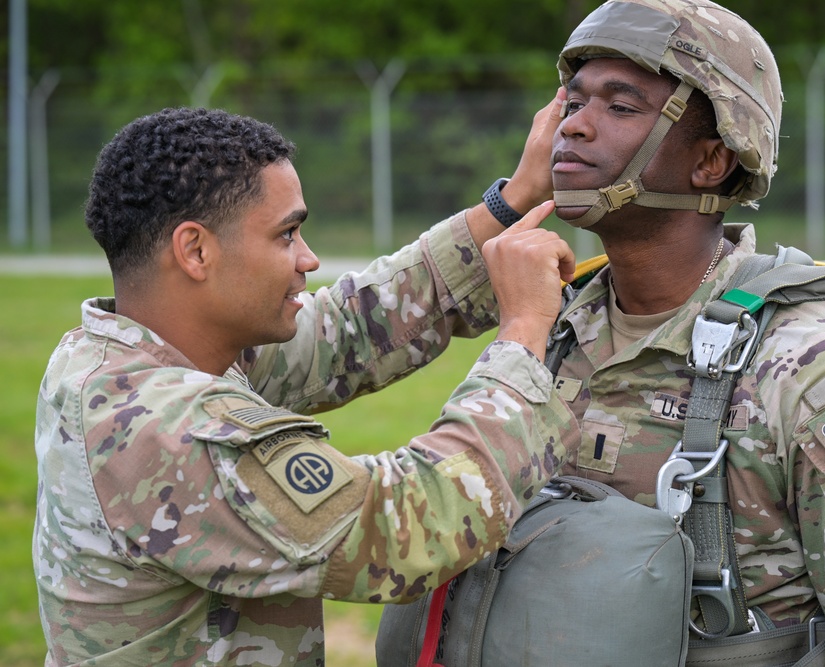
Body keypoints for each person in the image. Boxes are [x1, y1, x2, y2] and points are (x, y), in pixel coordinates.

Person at [33, 101, 580, 665]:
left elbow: (351, 329)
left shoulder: (118, 354)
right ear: (195, 250)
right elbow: (412, 526)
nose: (308, 258)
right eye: (286, 234)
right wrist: (523, 334)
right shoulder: (169, 429)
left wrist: (509, 202)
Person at [541, 0, 825, 665]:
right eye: (573, 102)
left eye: (620, 107)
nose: (574, 128)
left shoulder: (823, 371)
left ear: (711, 161)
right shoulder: (550, 330)